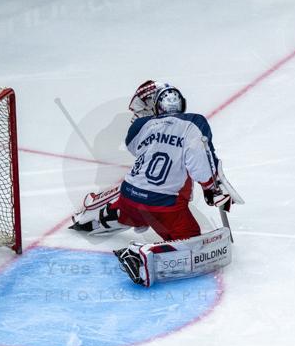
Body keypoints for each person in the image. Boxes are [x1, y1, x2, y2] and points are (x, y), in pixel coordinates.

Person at [70, 81, 238, 286]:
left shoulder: (144, 125)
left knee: (128, 208)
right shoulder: (194, 123)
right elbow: (200, 164)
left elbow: (133, 147)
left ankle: (93, 220)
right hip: (164, 206)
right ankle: (140, 257)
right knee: (190, 238)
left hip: (129, 195)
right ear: (182, 105)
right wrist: (211, 188)